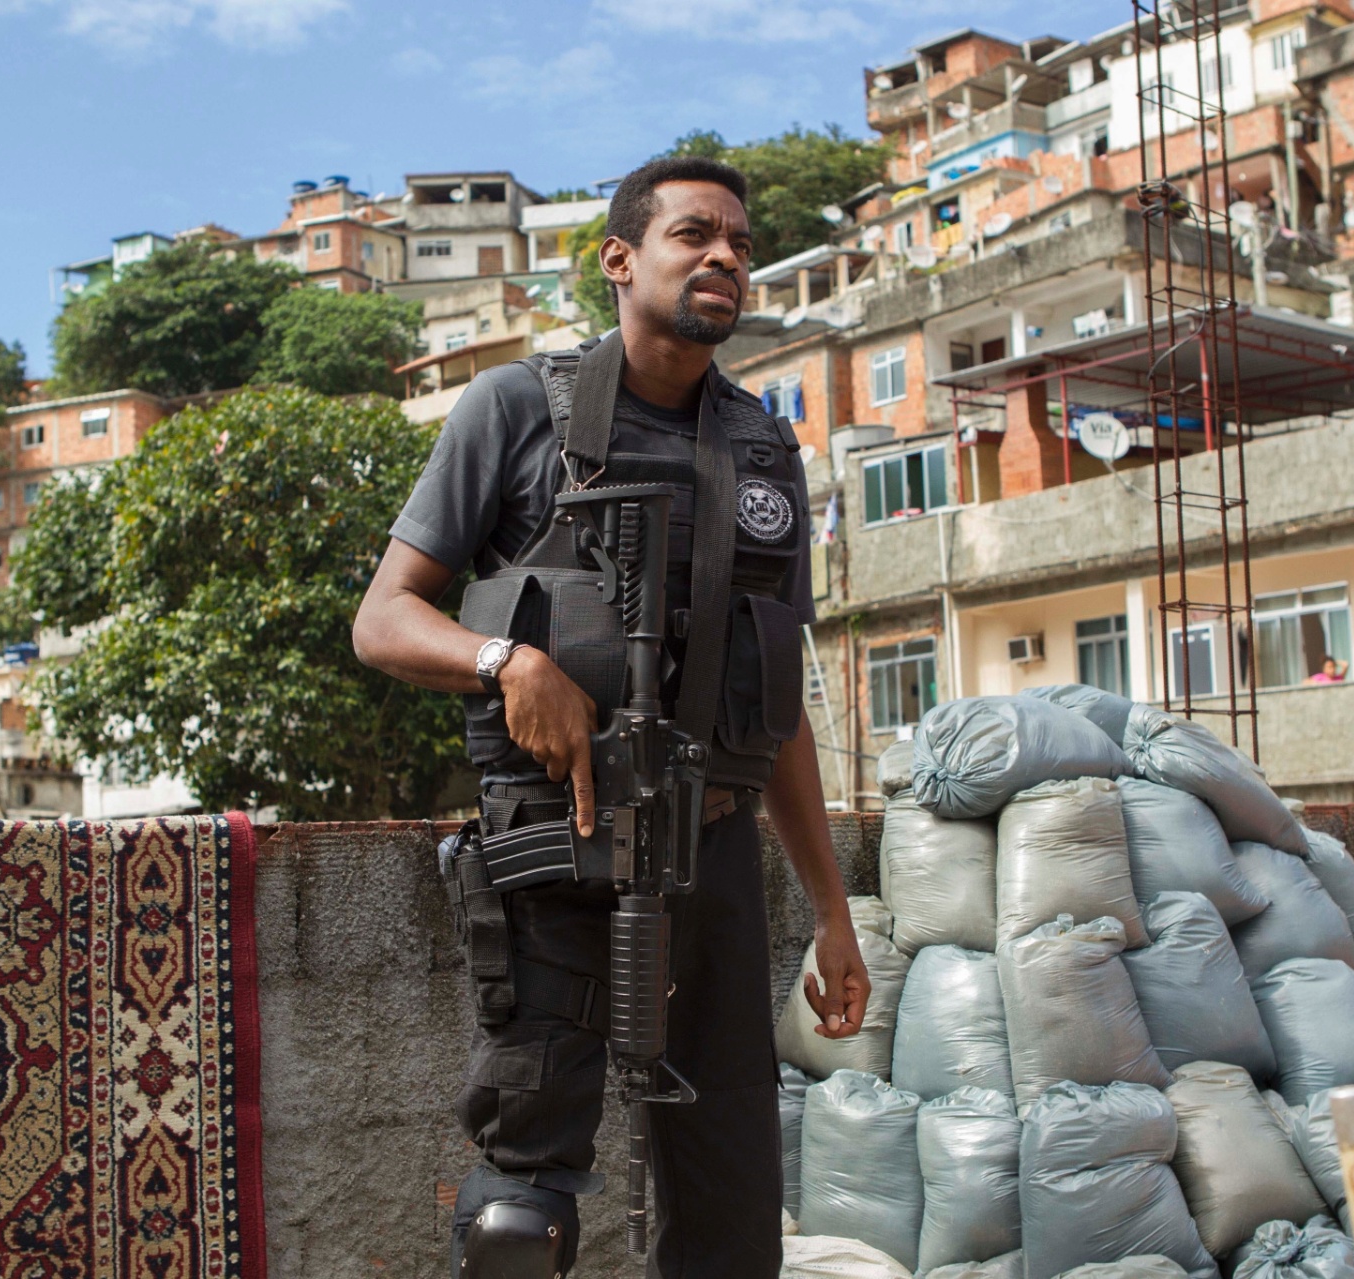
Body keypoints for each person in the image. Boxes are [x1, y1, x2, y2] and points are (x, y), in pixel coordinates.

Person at [352, 155, 870, 1279]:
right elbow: (384, 619)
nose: (725, 256)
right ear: (621, 260)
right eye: (695, 235)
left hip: (716, 865)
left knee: (732, 1213)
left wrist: (832, 911)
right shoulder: (515, 410)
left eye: (740, 240)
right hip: (557, 853)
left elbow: (777, 704)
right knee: (519, 1214)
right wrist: (506, 659)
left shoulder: (765, 450)